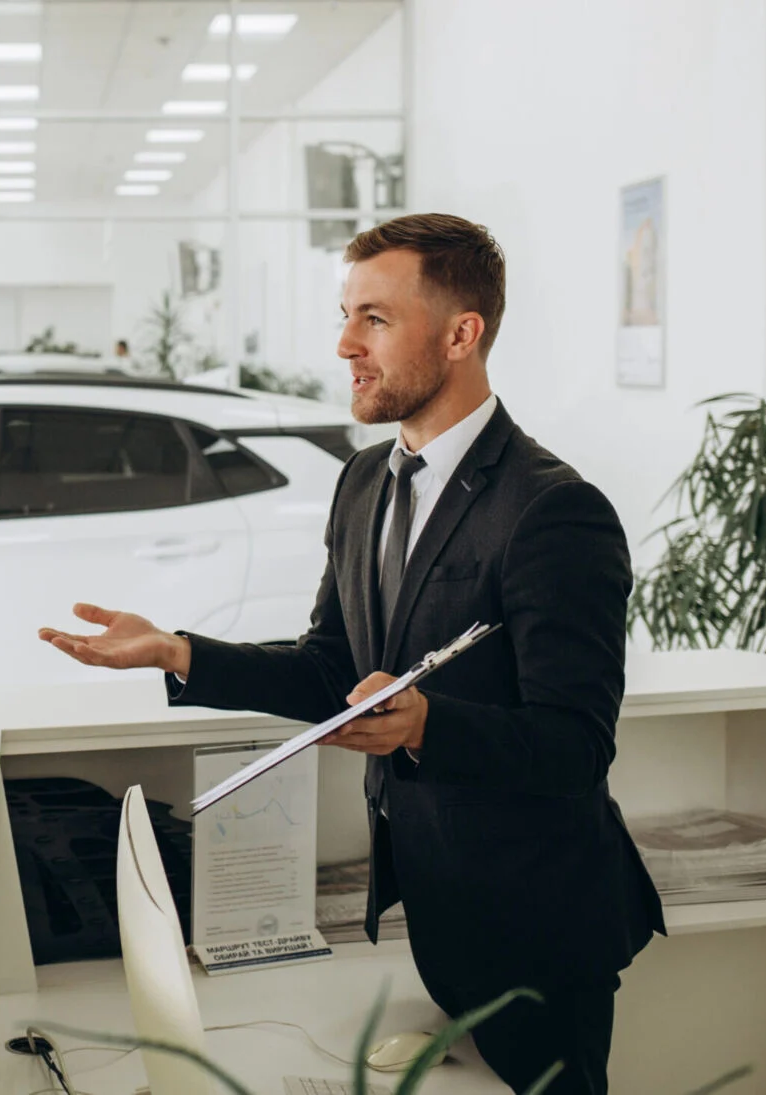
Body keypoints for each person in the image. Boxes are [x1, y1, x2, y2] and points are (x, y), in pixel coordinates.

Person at [39, 214, 661, 1094]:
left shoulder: (555, 511)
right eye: (345, 314)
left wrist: (425, 725)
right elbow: (332, 666)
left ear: (460, 333)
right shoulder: (365, 479)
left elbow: (575, 743)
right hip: (439, 912)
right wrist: (179, 652)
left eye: (372, 318)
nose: (343, 344)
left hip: (540, 928)